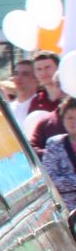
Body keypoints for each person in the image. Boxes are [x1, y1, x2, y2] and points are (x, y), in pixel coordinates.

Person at [43, 96, 76, 226]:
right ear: (62, 120)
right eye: (70, 118)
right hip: (68, 211)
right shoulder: (54, 144)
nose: (74, 122)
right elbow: (49, 178)